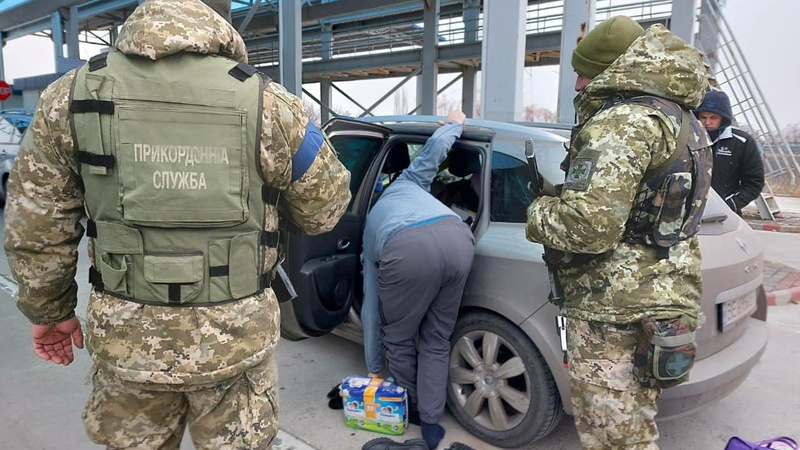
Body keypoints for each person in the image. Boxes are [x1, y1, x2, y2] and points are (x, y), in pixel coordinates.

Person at [4, 0, 351, 448]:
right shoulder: (270, 103)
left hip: (129, 341)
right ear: (220, 19)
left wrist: (49, 312)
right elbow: (324, 210)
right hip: (236, 341)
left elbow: (35, 224)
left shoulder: (69, 98)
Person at [525, 16, 712, 449]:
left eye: (583, 72)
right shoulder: (681, 120)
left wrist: (536, 211)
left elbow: (588, 227)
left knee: (613, 438)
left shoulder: (621, 123)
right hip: (661, 298)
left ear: (614, 70)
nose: (578, 85)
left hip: (614, 311)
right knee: (636, 426)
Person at [361, 110, 475, 450]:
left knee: (398, 337)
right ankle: (431, 424)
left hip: (406, 249)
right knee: (438, 338)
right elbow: (435, 149)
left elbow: (370, 306)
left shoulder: (372, 224)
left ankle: (410, 407)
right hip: (457, 237)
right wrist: (456, 123)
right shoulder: (410, 181)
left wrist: (373, 368)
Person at [694, 89, 765, 215]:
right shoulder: (689, 139)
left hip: (725, 215)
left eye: (713, 118)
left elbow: (755, 181)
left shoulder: (742, 142)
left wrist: (732, 204)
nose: (707, 122)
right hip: (689, 214)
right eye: (703, 117)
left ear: (723, 118)